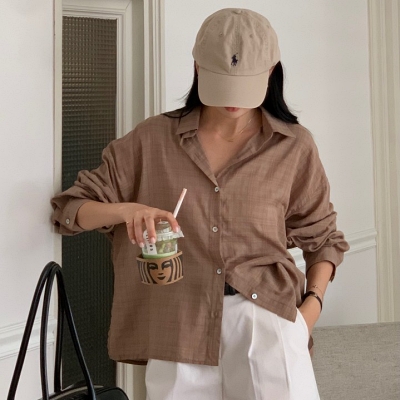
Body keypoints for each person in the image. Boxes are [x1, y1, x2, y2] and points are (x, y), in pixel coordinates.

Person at [51, 8, 349, 400]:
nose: (233, 103)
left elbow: (323, 238)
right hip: (177, 323)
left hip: (267, 320)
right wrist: (127, 211)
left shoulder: (294, 146)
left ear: (271, 71)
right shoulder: (152, 140)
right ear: (197, 67)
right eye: (222, 83)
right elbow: (71, 209)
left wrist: (310, 310)